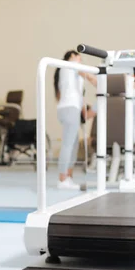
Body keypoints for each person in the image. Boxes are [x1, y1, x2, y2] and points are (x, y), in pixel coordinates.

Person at [53, 50, 97, 189]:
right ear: (71, 57)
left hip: (71, 109)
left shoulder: (70, 72)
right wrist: (98, 82)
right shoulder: (69, 66)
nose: (80, 59)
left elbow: (78, 95)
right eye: (78, 56)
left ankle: (68, 177)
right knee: (68, 144)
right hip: (69, 109)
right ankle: (62, 179)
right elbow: (89, 77)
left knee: (74, 145)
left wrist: (84, 110)